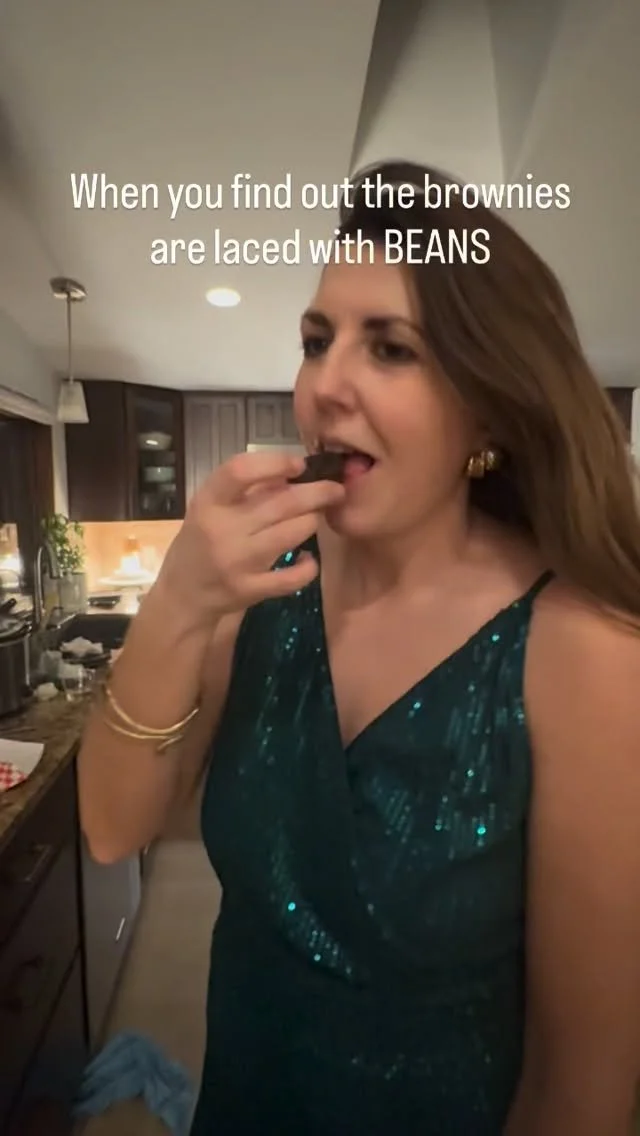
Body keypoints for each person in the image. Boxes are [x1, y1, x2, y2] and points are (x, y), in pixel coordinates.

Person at [77, 160, 640, 1136]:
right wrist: (177, 600)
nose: (324, 385)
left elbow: (579, 1088)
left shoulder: (585, 652)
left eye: (389, 348)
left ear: (487, 406)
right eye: (316, 341)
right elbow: (110, 828)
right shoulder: (264, 584)